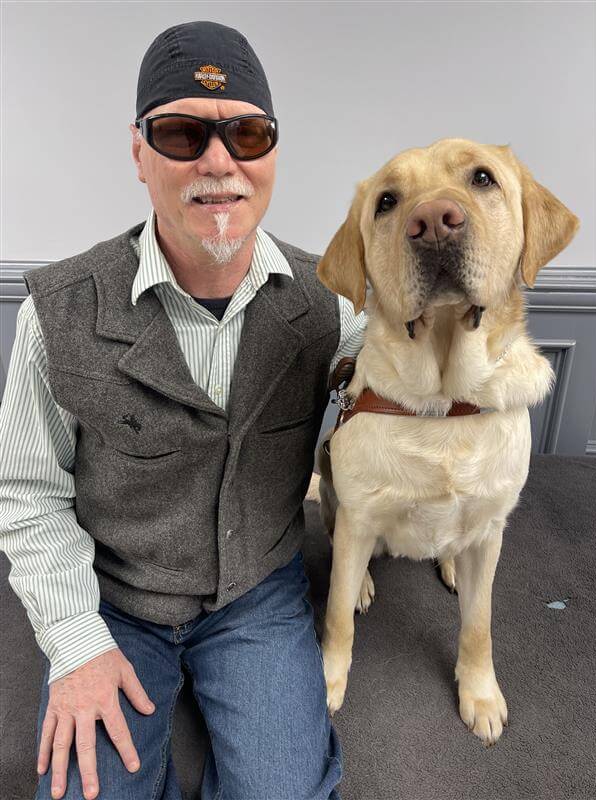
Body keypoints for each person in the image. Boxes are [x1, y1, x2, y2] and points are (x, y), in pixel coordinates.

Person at [0, 20, 367, 800]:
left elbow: (419, 379)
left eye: (248, 133)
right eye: (181, 133)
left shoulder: (333, 302)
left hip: (259, 597)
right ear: (139, 152)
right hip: (116, 597)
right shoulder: (59, 310)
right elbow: (25, 491)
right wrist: (75, 643)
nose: (219, 162)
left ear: (273, 151)